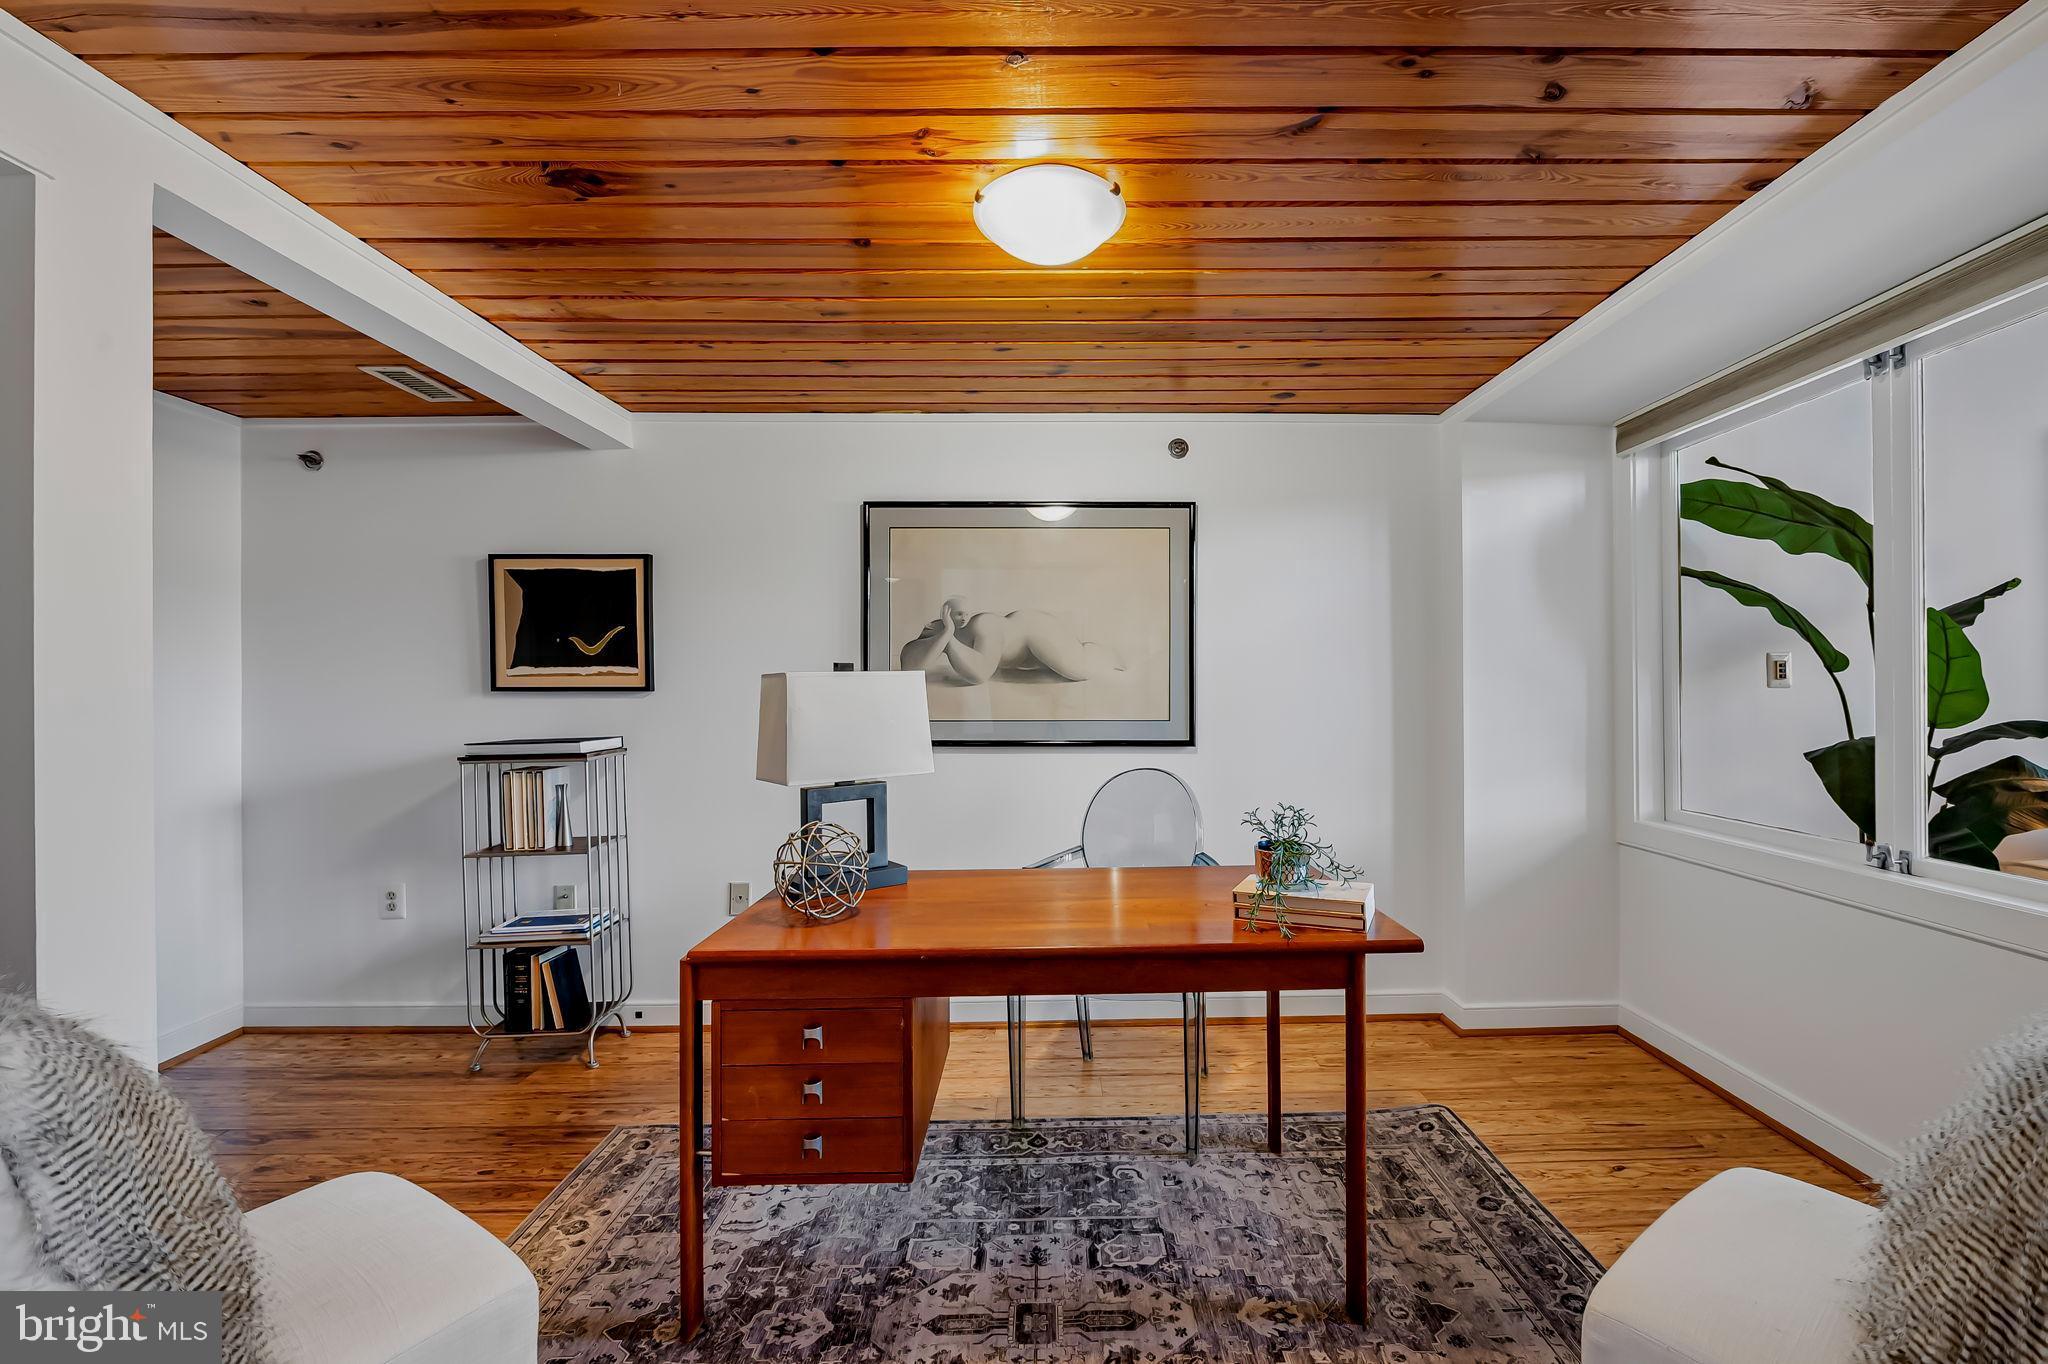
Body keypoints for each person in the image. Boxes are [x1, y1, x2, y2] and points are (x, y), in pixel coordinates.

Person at [900, 596, 1124, 685]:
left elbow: (981, 673)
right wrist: (944, 635)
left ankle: (1112, 654)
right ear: (946, 613)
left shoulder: (984, 625)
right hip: (1023, 643)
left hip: (1035, 630)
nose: (964, 618)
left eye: (966, 613)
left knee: (1079, 669)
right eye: (957, 615)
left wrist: (948, 638)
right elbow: (910, 665)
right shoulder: (940, 628)